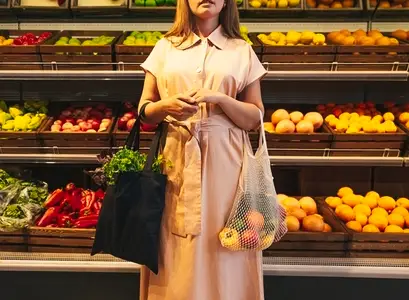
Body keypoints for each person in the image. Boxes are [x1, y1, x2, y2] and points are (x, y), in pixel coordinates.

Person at [137, 0, 267, 298]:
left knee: (225, 241)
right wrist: (164, 106)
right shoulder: (165, 47)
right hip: (174, 160)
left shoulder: (241, 50)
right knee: (173, 243)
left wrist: (221, 99)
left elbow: (255, 118)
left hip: (228, 164)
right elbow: (144, 110)